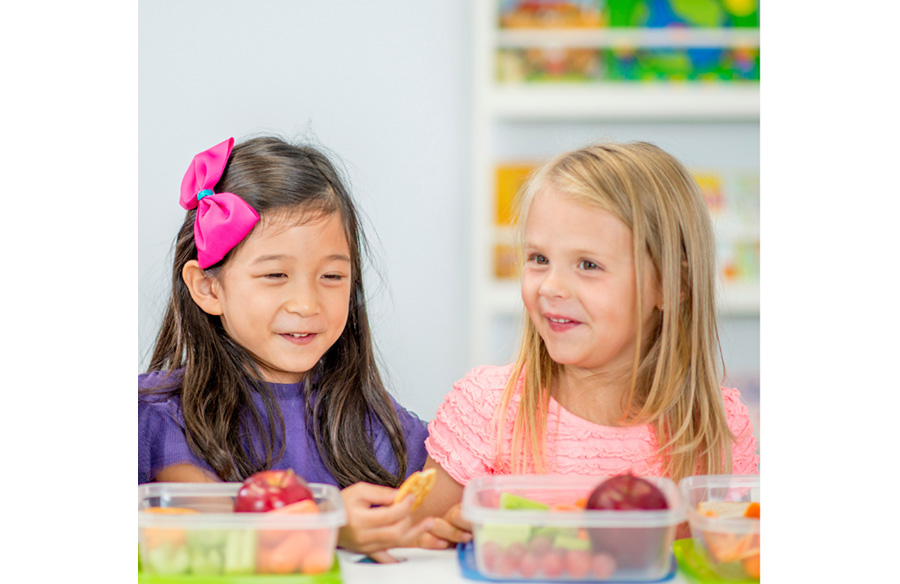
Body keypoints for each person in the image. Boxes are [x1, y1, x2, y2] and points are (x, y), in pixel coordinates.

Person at [415, 141, 760, 547]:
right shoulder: (487, 406)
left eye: (588, 265)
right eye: (539, 258)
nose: (552, 286)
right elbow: (417, 548)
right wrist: (454, 535)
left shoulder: (715, 426)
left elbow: (737, 559)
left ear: (671, 285)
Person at [139, 136, 437, 561]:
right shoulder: (160, 417)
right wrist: (328, 524)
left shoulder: (374, 422)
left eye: (332, 277)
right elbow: (208, 524)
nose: (306, 304)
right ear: (208, 288)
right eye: (276, 274)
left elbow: (441, 507)